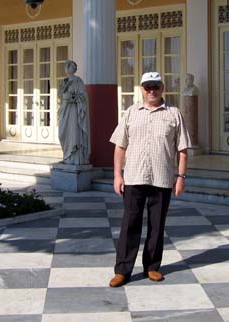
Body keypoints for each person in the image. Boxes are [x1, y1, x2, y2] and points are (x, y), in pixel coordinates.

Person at [108, 71, 191, 287]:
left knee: (157, 225)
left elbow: (182, 149)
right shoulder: (131, 113)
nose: (151, 90)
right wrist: (118, 175)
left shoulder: (174, 114)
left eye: (155, 86)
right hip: (134, 177)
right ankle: (123, 270)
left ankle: (152, 267)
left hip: (162, 179)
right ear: (141, 89)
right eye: (147, 87)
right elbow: (120, 146)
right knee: (129, 224)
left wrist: (181, 177)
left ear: (162, 88)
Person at [58, 60, 90, 165]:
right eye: (66, 66)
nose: (66, 68)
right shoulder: (64, 81)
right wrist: (63, 96)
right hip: (65, 110)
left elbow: (83, 97)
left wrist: (72, 98)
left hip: (74, 112)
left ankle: (74, 157)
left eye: (69, 66)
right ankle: (66, 155)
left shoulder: (78, 81)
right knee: (62, 133)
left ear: (73, 68)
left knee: (74, 133)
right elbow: (60, 94)